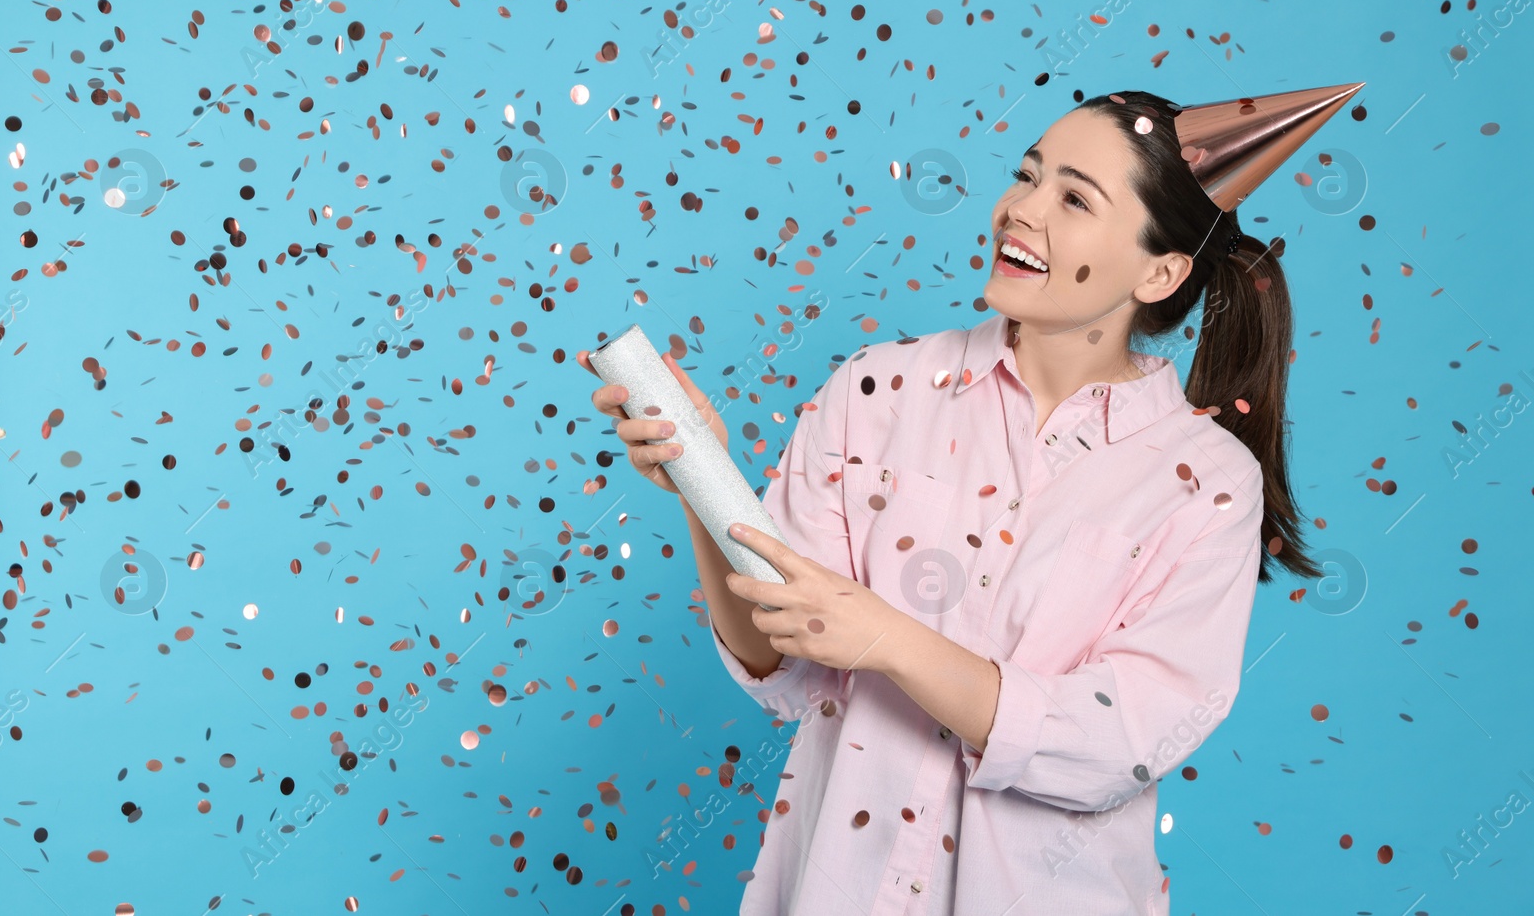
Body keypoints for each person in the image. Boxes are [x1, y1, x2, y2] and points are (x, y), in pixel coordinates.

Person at [579, 85, 1354, 914]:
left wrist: (888, 637)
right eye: (1027, 176)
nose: (1020, 210)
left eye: (1073, 198)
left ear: (1160, 270)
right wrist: (702, 481)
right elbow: (785, 660)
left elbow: (1116, 743)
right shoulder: (878, 389)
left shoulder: (1205, 485)